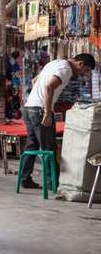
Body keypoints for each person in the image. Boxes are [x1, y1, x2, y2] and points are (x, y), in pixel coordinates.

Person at [21, 53, 96, 189]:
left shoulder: (55, 63)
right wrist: (48, 112)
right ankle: (53, 183)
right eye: (84, 71)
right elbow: (49, 87)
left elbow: (34, 81)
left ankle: (25, 179)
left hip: (29, 107)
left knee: (31, 145)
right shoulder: (66, 70)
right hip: (39, 110)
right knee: (49, 148)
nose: (82, 74)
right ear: (81, 64)